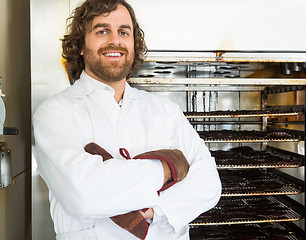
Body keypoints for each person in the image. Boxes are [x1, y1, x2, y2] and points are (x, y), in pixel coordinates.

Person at [33, 0, 222, 239]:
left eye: (124, 31)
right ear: (80, 45)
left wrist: (157, 211)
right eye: (102, 31)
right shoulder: (55, 113)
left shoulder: (165, 110)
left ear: (134, 43)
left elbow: (209, 184)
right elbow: (84, 195)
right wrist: (167, 168)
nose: (115, 40)